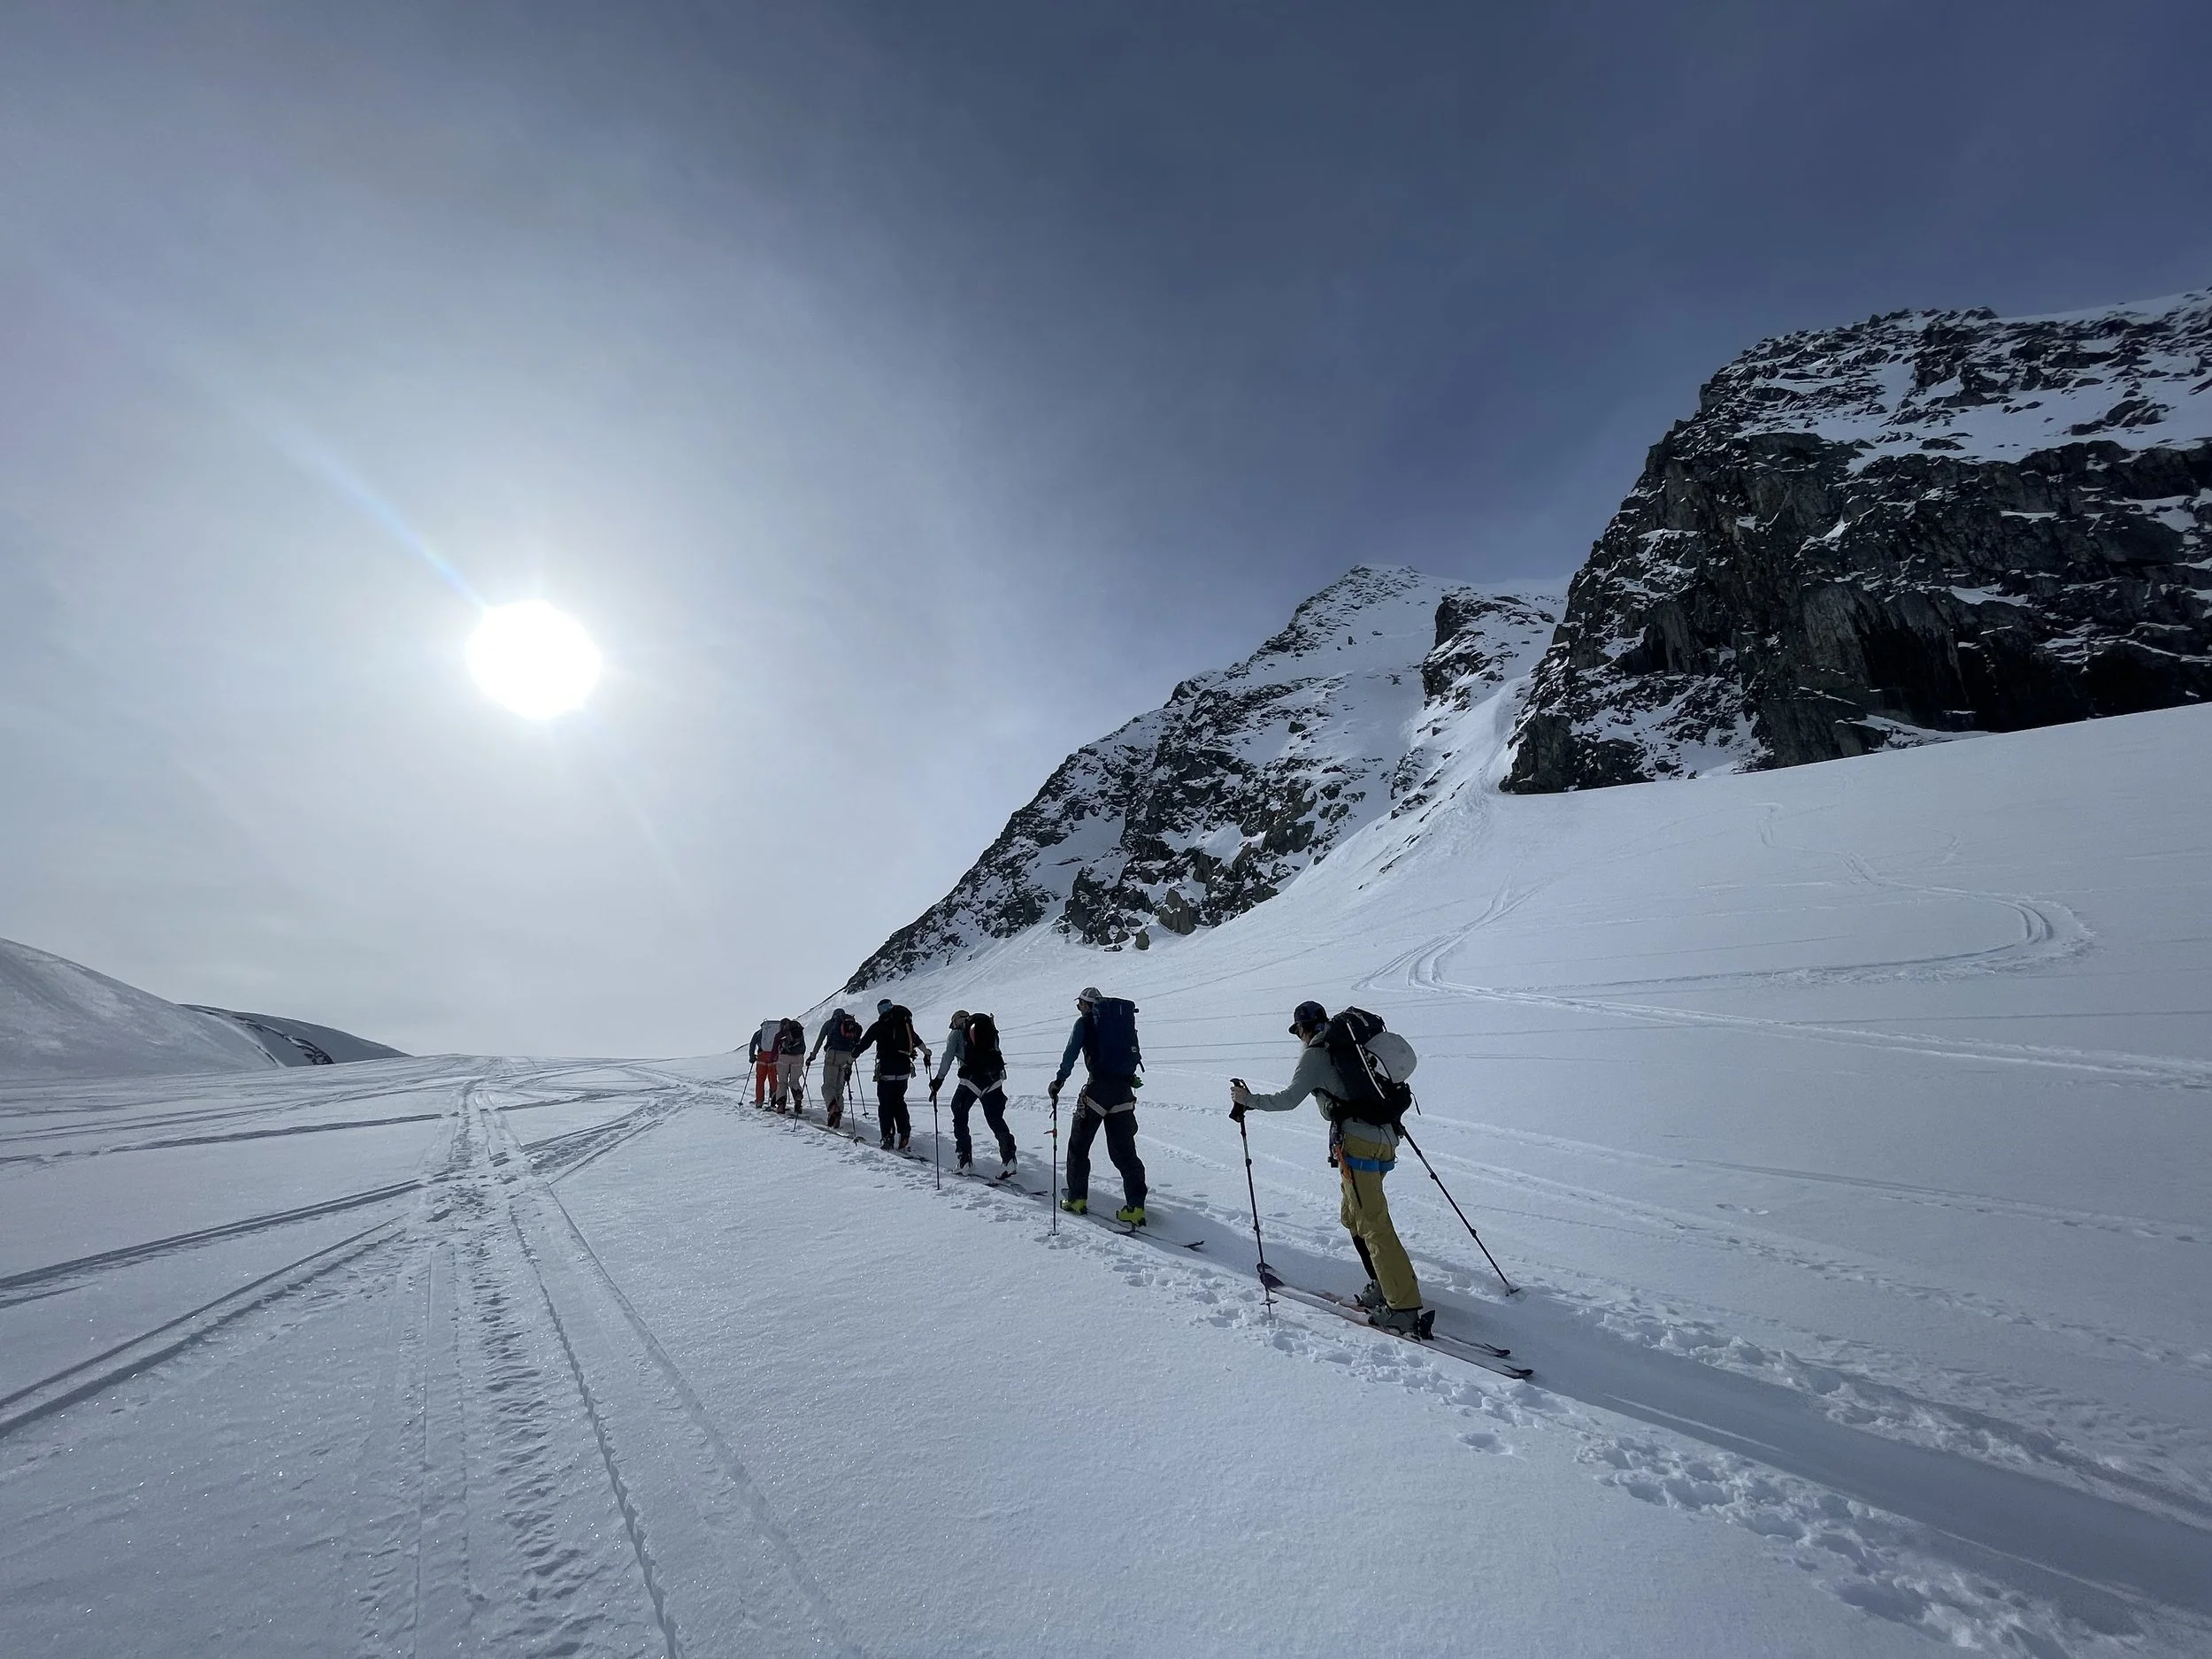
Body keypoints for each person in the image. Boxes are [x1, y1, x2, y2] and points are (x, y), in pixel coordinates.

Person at [1231, 1001, 1425, 1333]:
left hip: (1358, 1143)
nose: (1300, 1037)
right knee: (1353, 1216)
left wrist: (1247, 1100)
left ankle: (1403, 1307)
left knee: (1373, 1223)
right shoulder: (1351, 1049)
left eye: (1298, 1031)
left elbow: (1288, 1100)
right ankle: (1385, 1282)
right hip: (1383, 1138)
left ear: (1303, 1029)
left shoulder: (1316, 1054)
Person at [1048, 987, 1147, 1224]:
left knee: (1078, 1147)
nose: (1079, 1008)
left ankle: (1077, 1199)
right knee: (1125, 1153)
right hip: (1124, 1092)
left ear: (1086, 1004)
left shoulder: (1085, 1023)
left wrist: (1059, 1080)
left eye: (1080, 1004)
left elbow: (1071, 1053)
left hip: (1096, 1092)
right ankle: (1136, 1208)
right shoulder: (1120, 1024)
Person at [931, 1010, 1018, 1178]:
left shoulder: (956, 1034)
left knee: (959, 1114)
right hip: (993, 1079)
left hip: (970, 1081)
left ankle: (964, 1160)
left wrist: (938, 1080)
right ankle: (1009, 1159)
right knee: (996, 1119)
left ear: (956, 1021)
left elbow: (948, 1056)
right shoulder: (987, 1028)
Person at [852, 998, 930, 1151]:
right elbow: (916, 1040)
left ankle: (887, 1136)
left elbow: (864, 1044)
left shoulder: (879, 1026)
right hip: (903, 1070)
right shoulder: (905, 1025)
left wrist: (851, 1058)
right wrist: (926, 1052)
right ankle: (904, 1131)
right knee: (899, 1100)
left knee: (886, 1104)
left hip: (886, 1071)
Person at [808, 1008, 866, 1129]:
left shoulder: (830, 1023)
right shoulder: (851, 1024)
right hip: (847, 1056)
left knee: (828, 1085)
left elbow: (820, 1040)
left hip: (833, 1055)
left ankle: (832, 1107)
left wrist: (813, 1055)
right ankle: (838, 1113)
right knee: (840, 1086)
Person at [773, 1018, 808, 1113]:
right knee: (794, 1081)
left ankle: (781, 1105)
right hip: (798, 1057)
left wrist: (774, 1058)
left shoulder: (780, 1034)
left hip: (784, 1057)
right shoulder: (799, 1033)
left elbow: (774, 1049)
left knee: (782, 1082)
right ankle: (797, 1098)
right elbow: (803, 1047)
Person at [749, 1017, 780, 1105]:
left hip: (762, 1057)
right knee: (773, 1077)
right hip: (774, 1056)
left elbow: (752, 1045)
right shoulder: (778, 1032)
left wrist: (752, 1057)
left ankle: (759, 1101)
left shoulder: (759, 1033)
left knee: (760, 1079)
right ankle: (775, 1099)